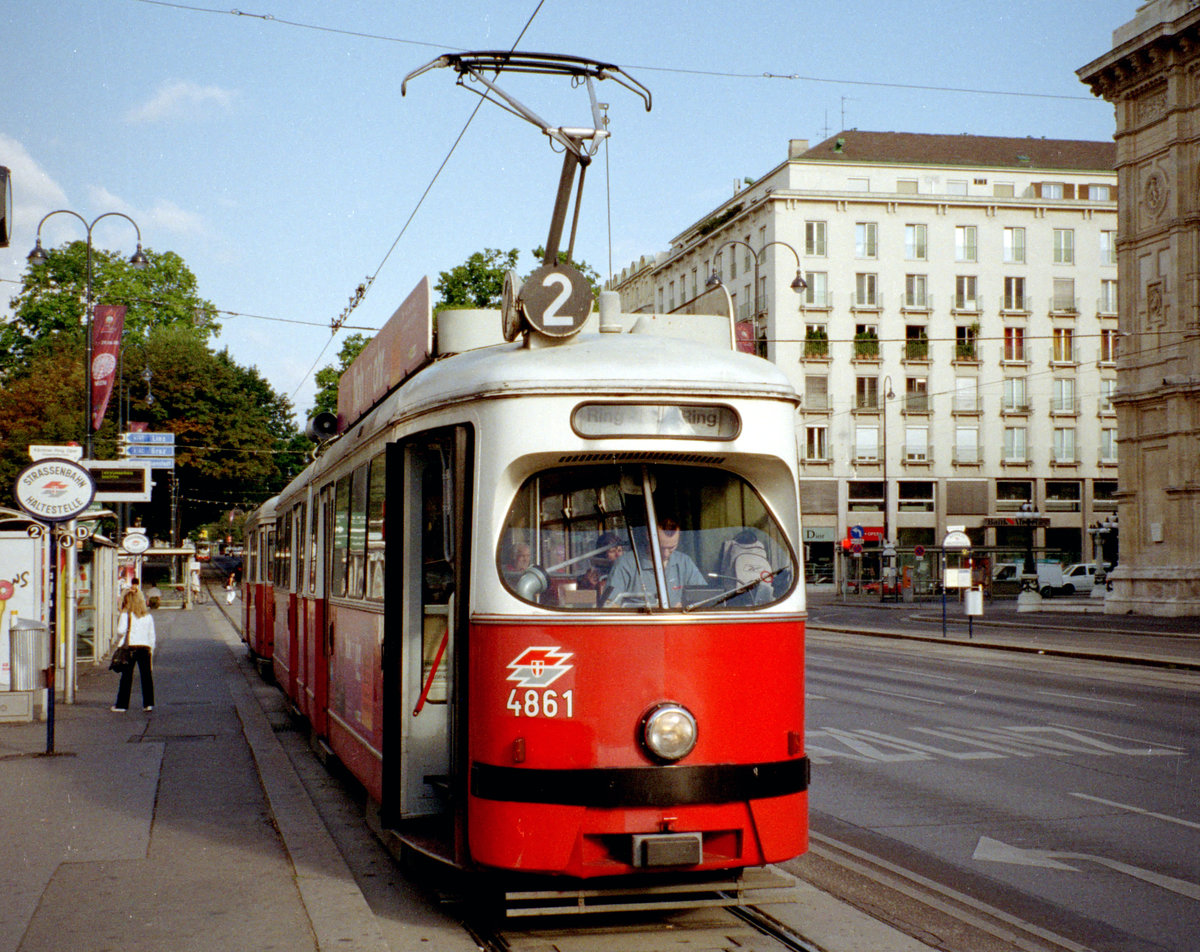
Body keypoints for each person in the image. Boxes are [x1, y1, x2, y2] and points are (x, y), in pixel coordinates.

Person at [602, 517, 705, 607]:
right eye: (660, 547)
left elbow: (703, 598)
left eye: (671, 548)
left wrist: (685, 607)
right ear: (648, 536)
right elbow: (609, 605)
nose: (666, 554)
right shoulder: (625, 564)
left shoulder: (684, 562)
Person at [112, 589, 156, 713]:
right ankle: (148, 704)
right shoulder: (148, 616)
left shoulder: (126, 615)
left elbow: (120, 631)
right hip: (145, 648)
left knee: (126, 677)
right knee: (146, 676)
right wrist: (151, 649)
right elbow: (151, 635)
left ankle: (122, 705)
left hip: (130, 648)